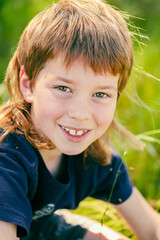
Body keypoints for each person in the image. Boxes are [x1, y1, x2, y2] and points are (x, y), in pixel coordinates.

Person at [0, 0, 160, 239]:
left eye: (100, 94)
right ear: (28, 84)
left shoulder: (95, 157)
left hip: (38, 227)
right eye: (63, 88)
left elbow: (151, 228)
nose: (81, 113)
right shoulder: (7, 159)